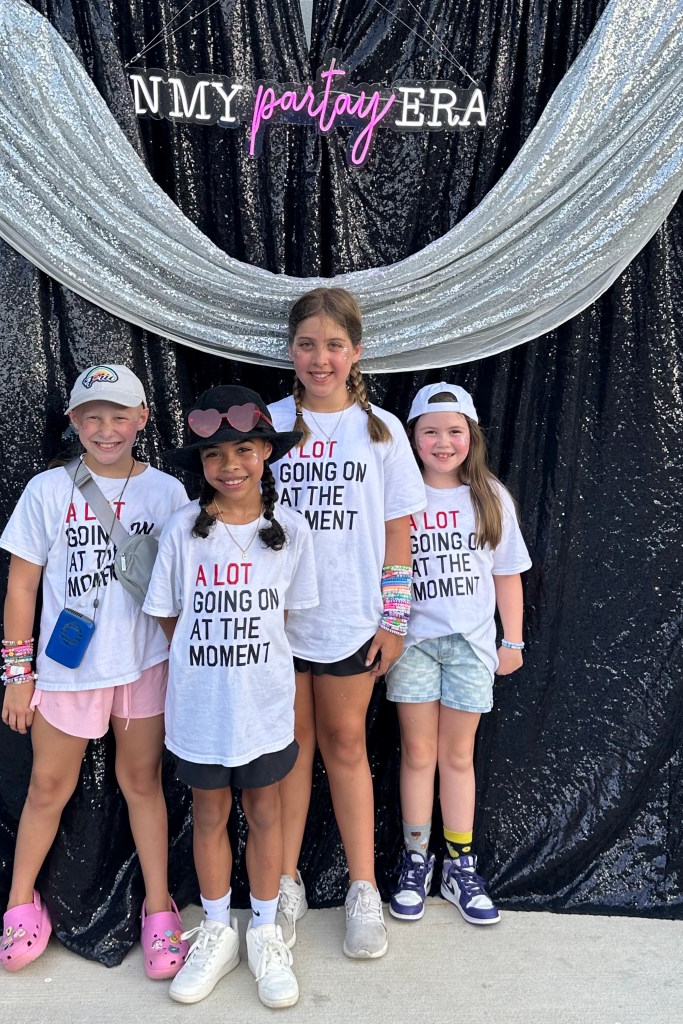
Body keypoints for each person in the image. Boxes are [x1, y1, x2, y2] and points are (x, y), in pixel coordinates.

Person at [0, 364, 190, 977]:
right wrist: (17, 674)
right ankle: (20, 904)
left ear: (143, 419)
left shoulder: (167, 492)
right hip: (66, 670)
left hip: (144, 664)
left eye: (119, 416)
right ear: (74, 422)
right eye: (92, 417)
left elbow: (182, 585)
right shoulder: (47, 490)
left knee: (143, 785)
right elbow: (22, 585)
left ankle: (158, 909)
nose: (106, 429)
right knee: (47, 788)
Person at [143, 385, 318, 1009]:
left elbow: (287, 616)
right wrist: (207, 661)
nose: (229, 465)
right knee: (210, 814)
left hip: (264, 706)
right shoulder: (182, 530)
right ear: (201, 463)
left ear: (267, 451)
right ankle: (218, 929)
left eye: (243, 449)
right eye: (214, 454)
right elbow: (169, 614)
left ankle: (265, 931)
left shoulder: (291, 530)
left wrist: (247, 665)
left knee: (266, 812)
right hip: (201, 707)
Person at [268, 287, 426, 959]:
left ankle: (363, 887)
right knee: (287, 751)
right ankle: (284, 883)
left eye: (334, 345)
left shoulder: (381, 431)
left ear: (356, 351)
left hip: (349, 619)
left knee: (344, 743)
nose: (320, 358)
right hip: (274, 622)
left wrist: (394, 618)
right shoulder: (269, 422)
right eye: (307, 344)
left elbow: (399, 533)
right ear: (290, 350)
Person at [385, 382, 531, 924]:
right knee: (418, 754)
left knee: (458, 756)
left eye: (454, 431)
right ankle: (416, 859)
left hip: (471, 646)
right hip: (414, 645)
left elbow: (507, 574)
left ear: (472, 436)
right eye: (430, 432)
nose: (443, 442)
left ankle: (460, 865)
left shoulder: (489, 496)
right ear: (412, 437)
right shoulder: (399, 495)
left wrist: (512, 639)